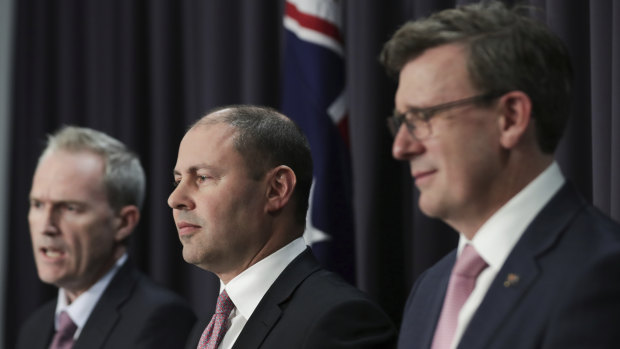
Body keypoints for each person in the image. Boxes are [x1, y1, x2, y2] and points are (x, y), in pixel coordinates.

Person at [380, 1, 620, 349]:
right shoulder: (432, 286)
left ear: (510, 118)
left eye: (424, 117)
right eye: (402, 122)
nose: (401, 148)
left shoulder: (601, 276)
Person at [168, 105, 397, 349]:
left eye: (203, 177)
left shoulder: (340, 321)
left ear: (277, 189)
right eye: (178, 180)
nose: (174, 199)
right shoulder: (207, 328)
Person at [16, 126, 196, 349]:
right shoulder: (34, 328)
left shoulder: (161, 319)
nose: (46, 226)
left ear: (123, 222)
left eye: (70, 208)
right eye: (38, 205)